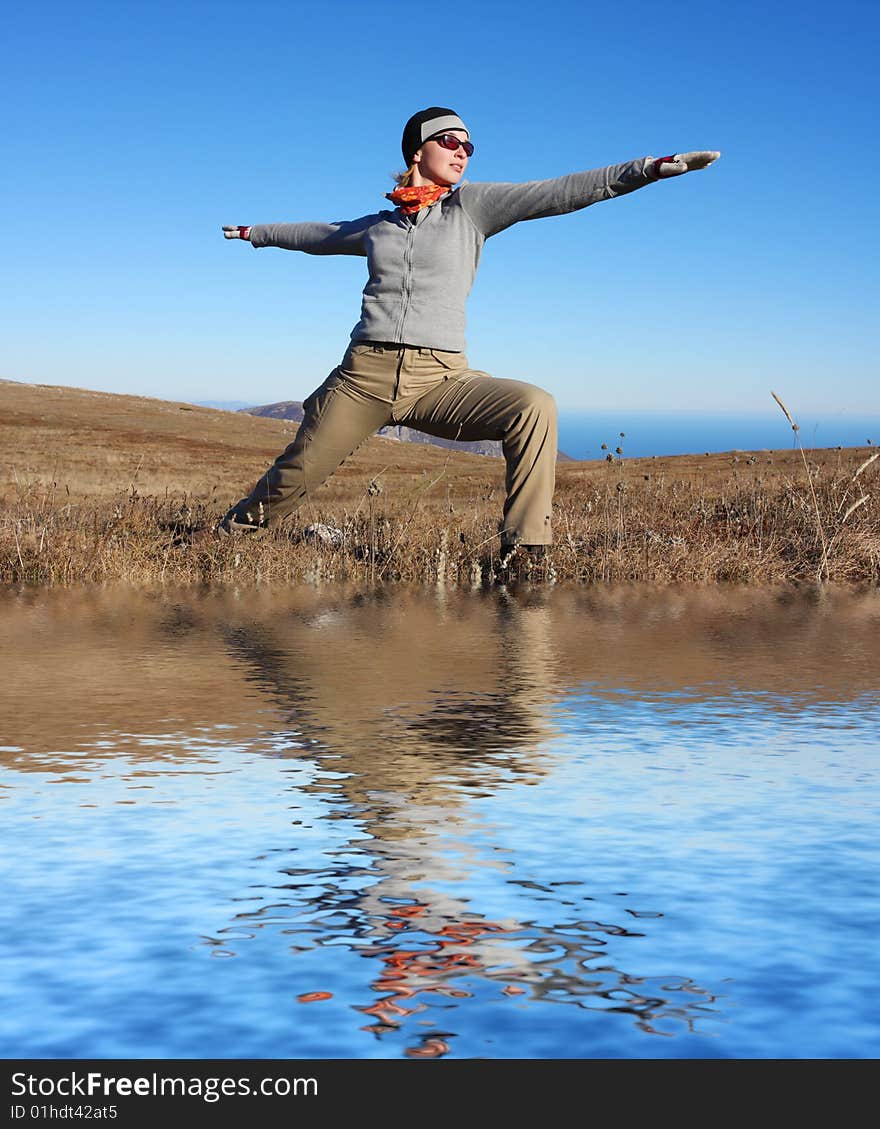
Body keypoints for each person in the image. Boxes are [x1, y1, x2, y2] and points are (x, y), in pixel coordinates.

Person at [219, 106, 719, 560]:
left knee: (533, 405)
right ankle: (223, 543)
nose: (463, 152)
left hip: (440, 378)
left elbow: (558, 192)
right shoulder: (378, 228)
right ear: (418, 151)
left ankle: (524, 553)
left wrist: (648, 169)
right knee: (293, 476)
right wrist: (253, 234)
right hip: (362, 379)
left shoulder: (471, 208)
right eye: (450, 142)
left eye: (469, 147)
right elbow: (316, 235)